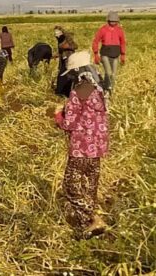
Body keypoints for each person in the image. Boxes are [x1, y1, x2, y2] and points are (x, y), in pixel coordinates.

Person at [54, 51, 109, 238]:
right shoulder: (99, 90)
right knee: (89, 185)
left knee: (70, 187)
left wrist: (58, 115)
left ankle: (93, 217)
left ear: (77, 71)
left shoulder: (78, 92)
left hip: (81, 147)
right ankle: (88, 225)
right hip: (98, 147)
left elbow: (68, 123)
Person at [92, 11, 127, 94]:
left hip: (115, 54)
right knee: (108, 72)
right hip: (105, 54)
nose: (113, 23)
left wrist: (123, 54)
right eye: (111, 21)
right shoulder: (102, 30)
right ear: (108, 21)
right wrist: (96, 54)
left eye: (115, 21)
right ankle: (106, 89)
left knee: (113, 75)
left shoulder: (119, 30)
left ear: (117, 21)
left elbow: (122, 42)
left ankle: (111, 90)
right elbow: (96, 41)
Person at [55, 26, 78, 97]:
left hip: (70, 59)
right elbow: (60, 51)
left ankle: (65, 92)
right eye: (55, 34)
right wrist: (56, 55)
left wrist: (67, 47)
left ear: (62, 33)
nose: (56, 35)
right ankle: (62, 93)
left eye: (58, 33)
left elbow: (75, 46)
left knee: (66, 75)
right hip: (63, 59)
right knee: (62, 75)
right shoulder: (59, 40)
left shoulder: (67, 39)